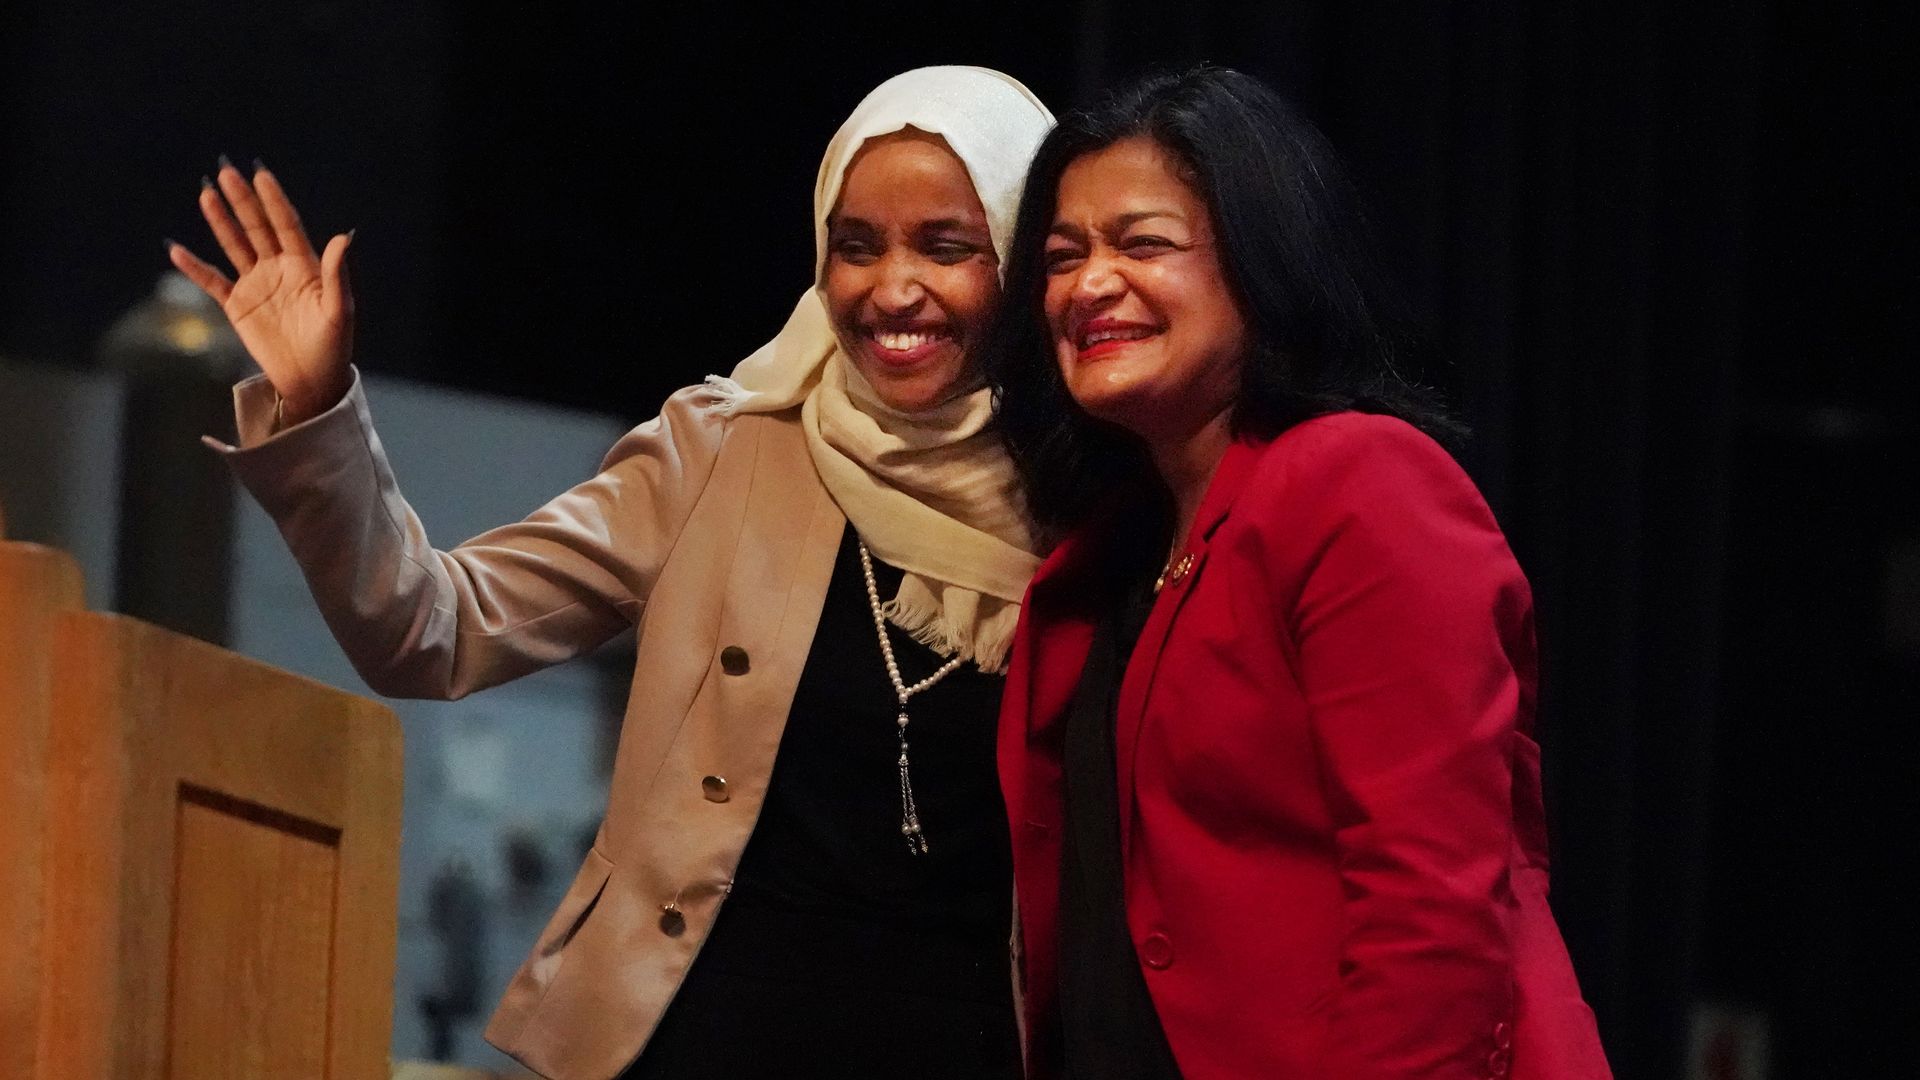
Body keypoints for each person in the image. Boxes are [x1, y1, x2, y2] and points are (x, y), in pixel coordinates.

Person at [172, 66, 1052, 1080]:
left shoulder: (1091, 498)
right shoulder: (722, 448)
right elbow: (432, 626)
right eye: (855, 247)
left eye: (946, 246)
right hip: (696, 1046)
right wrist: (320, 404)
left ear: (1026, 263)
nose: (892, 288)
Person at [988, 66, 1611, 1079]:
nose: (1089, 283)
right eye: (1063, 256)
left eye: (1142, 242)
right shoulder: (1111, 549)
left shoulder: (1361, 482)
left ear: (1263, 259)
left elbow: (1432, 910)